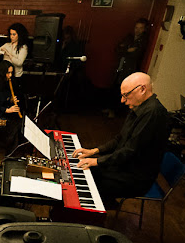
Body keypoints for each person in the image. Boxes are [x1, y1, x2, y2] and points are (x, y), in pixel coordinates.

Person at [72, 72, 170, 203]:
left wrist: (96, 161)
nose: (122, 100)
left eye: (126, 95)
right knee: (82, 172)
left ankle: (90, 216)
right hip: (125, 168)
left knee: (85, 182)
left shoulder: (153, 113)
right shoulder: (139, 106)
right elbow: (120, 138)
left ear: (142, 89)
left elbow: (130, 151)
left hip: (135, 178)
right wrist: (94, 151)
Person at [0, 60, 23, 153]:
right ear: (2, 73)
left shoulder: (5, 83)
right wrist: (6, 110)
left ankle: (13, 146)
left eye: (11, 72)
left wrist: (10, 100)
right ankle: (5, 147)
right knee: (11, 124)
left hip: (1, 109)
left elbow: (3, 98)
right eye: (8, 73)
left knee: (19, 121)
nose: (10, 75)